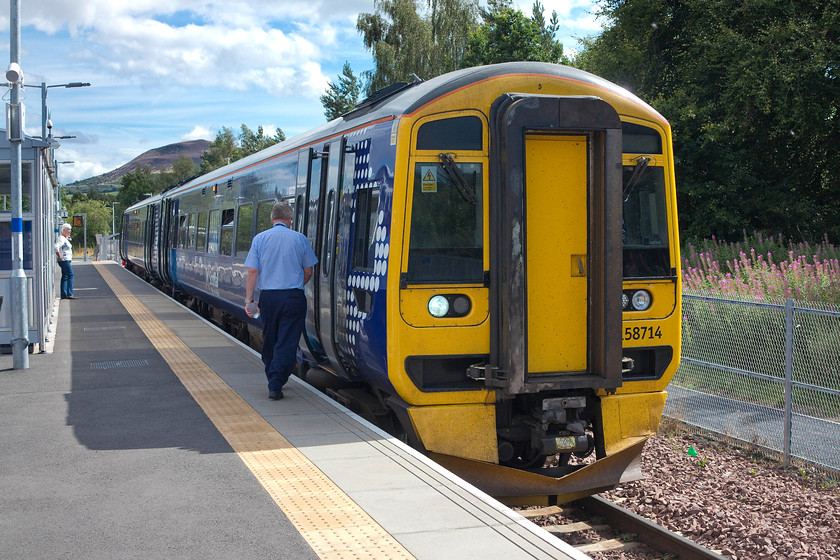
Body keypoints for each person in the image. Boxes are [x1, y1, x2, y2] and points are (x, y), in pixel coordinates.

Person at [244, 201, 318, 400]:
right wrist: (297, 284)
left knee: (270, 337)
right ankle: (276, 381)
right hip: (293, 297)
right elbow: (309, 270)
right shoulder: (300, 239)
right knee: (287, 339)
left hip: (268, 298)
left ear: (272, 218)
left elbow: (252, 271)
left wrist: (249, 300)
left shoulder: (260, 239)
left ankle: (273, 376)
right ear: (290, 219)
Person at [55, 223, 76, 299]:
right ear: (63, 231)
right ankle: (70, 293)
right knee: (71, 275)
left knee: (65, 276)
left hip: (66, 260)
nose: (69, 231)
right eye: (68, 230)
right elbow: (56, 247)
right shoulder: (61, 239)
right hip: (64, 260)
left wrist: (67, 238)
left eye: (70, 230)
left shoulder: (64, 238)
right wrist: (59, 256)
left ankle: (64, 294)